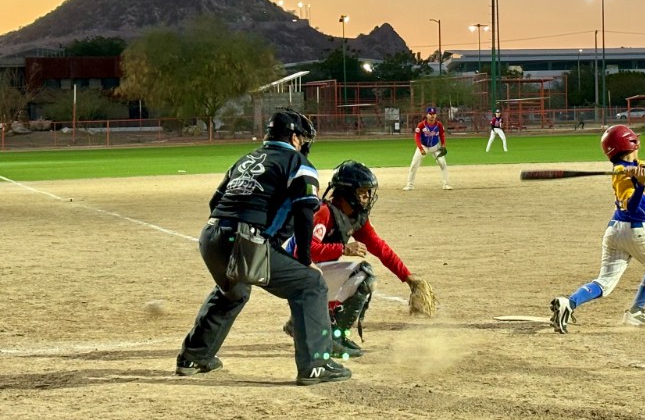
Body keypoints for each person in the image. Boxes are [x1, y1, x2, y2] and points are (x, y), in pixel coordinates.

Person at [175, 109, 352, 385]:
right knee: (311, 284)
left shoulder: (245, 160)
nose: (304, 143)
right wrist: (305, 259)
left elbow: (216, 202)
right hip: (244, 241)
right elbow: (306, 212)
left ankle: (193, 357)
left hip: (210, 237)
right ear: (294, 137)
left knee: (233, 290)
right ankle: (316, 365)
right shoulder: (298, 162)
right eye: (302, 138)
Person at [283, 160, 425, 357]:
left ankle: (312, 326)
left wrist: (408, 277)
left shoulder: (353, 216)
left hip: (313, 274)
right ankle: (328, 336)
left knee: (362, 276)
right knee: (363, 274)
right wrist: (343, 248)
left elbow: (380, 248)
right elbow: (302, 252)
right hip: (297, 275)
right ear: (347, 193)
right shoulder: (323, 212)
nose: (367, 196)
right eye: (362, 191)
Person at [550, 124, 645, 333]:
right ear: (631, 143)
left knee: (605, 281)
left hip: (615, 230)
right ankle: (636, 312)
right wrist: (637, 184)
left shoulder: (630, 167)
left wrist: (635, 173)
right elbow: (632, 206)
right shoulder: (621, 176)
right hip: (635, 229)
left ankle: (569, 303)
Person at [403, 106, 451, 190]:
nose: (432, 116)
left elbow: (442, 135)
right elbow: (417, 137)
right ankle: (409, 185)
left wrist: (443, 145)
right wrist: (420, 148)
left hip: (435, 147)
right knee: (414, 164)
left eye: (434, 114)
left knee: (442, 163)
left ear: (436, 115)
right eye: (430, 114)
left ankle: (446, 184)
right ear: (427, 115)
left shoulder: (439, 124)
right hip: (423, 146)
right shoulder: (421, 125)